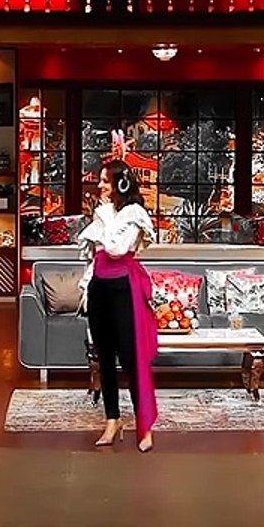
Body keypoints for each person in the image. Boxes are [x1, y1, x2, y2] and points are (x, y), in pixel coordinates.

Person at [78, 158, 158, 453]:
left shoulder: (134, 214)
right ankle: (112, 420)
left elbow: (116, 248)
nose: (99, 185)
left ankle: (144, 425)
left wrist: (102, 217)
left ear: (119, 184)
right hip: (99, 287)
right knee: (104, 358)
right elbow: (95, 254)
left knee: (130, 358)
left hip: (123, 288)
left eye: (104, 181)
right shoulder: (104, 213)